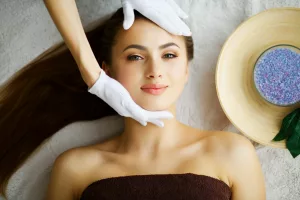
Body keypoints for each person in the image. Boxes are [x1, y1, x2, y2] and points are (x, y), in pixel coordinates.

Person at [0, 0, 266, 200]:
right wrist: (89, 72)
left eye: (169, 55)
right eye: (135, 56)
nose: (155, 70)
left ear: (187, 70)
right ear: (107, 72)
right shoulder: (75, 168)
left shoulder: (232, 153)